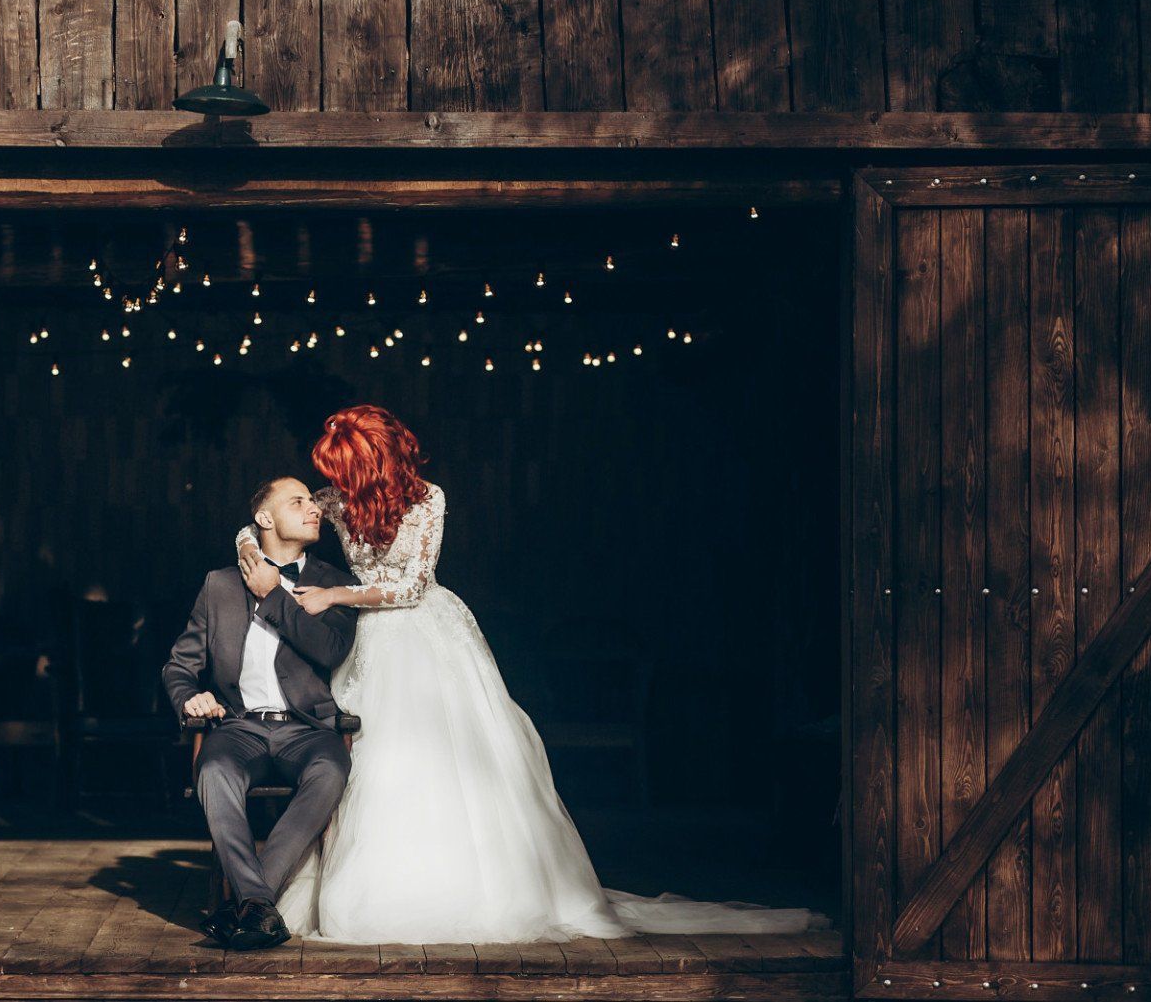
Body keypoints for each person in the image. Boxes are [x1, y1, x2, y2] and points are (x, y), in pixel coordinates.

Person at [234, 404, 831, 945]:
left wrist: (337, 592)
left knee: (452, 762)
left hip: (423, 634)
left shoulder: (428, 499)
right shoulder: (337, 499)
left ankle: (461, 892)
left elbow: (413, 586)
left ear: (374, 460)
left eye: (343, 469)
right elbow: (261, 522)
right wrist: (247, 543)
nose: (331, 485)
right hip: (370, 645)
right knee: (368, 761)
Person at [163, 475, 364, 950]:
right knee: (212, 771)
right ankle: (258, 905)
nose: (314, 510)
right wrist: (190, 697)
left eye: (314, 503)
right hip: (238, 727)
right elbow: (179, 666)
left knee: (331, 771)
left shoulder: (334, 582)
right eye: (298, 502)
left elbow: (331, 650)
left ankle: (248, 904)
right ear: (265, 519)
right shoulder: (218, 585)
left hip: (308, 729)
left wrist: (274, 595)